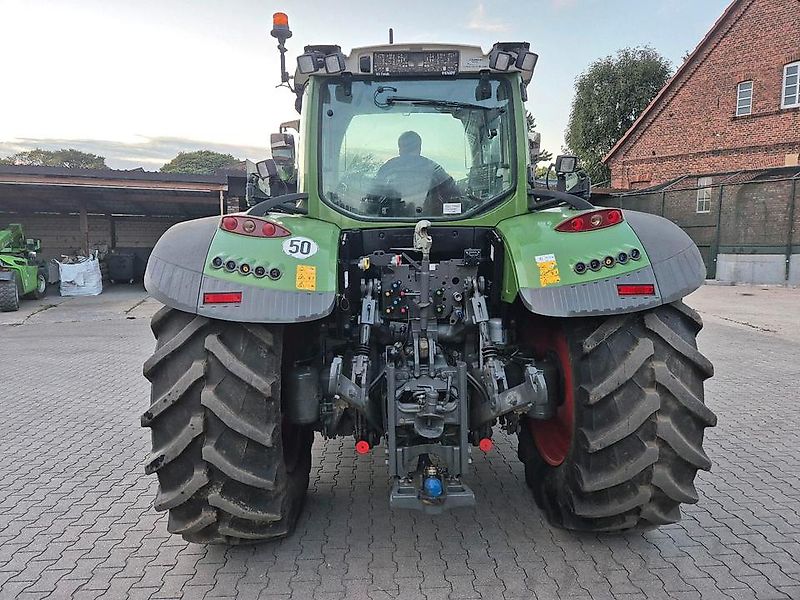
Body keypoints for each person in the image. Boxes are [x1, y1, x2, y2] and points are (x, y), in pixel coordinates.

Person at [372, 131, 460, 215]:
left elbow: (372, 198)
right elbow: (455, 195)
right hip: (432, 222)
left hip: (389, 221)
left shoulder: (387, 168)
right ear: (419, 148)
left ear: (400, 148)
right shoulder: (434, 169)